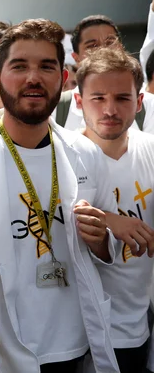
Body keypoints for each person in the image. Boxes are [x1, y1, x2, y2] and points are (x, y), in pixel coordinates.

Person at [0, 19, 120, 372]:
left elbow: (109, 248)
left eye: (46, 66)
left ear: (64, 80)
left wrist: (100, 240)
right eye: (19, 66)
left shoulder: (87, 154)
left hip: (75, 344)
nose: (33, 78)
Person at [73, 47, 154, 373]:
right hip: (79, 332)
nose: (110, 109)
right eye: (98, 98)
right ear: (78, 102)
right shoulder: (61, 158)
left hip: (138, 323)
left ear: (139, 101)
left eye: (122, 98)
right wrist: (106, 222)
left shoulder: (149, 150)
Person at [59, 14, 154, 133]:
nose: (103, 50)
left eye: (110, 42)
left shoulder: (149, 106)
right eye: (92, 46)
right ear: (76, 58)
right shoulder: (58, 109)